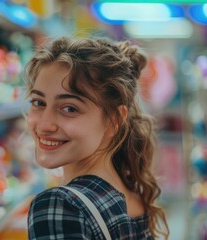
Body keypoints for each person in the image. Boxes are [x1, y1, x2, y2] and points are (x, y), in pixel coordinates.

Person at [24, 36, 170, 239]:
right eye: (38, 102)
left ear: (114, 119)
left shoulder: (60, 205)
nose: (44, 125)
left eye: (69, 108)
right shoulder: (132, 192)